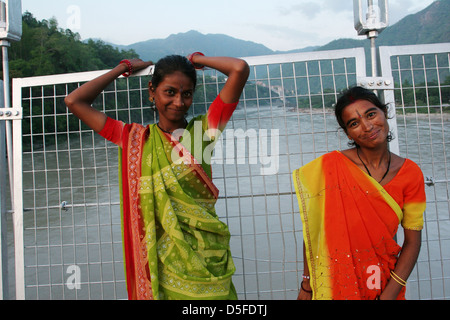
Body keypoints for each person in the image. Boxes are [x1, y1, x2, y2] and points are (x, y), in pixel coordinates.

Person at [65, 53, 250, 300]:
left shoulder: (202, 134)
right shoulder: (133, 140)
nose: (179, 101)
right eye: (170, 92)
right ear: (152, 91)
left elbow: (239, 69)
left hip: (209, 264)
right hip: (161, 270)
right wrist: (123, 68)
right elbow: (74, 100)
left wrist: (198, 58)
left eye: (186, 94)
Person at [293, 86, 426, 300]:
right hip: (335, 282)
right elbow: (314, 232)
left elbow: (412, 241)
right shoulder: (331, 167)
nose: (367, 126)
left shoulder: (410, 173)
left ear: (384, 111)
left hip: (384, 281)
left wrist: (390, 294)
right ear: (348, 133)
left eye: (371, 114)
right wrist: (307, 285)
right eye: (354, 123)